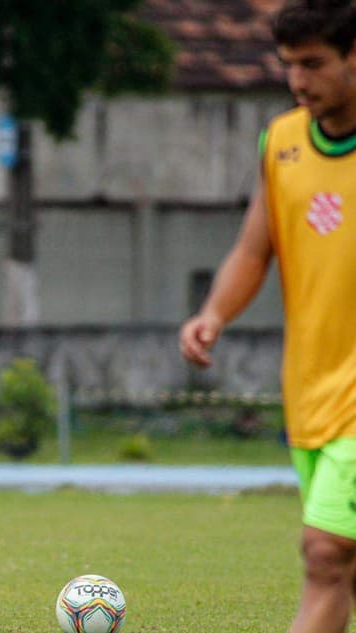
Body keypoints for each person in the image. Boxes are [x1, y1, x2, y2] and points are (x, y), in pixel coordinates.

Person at [179, 2, 356, 631]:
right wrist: (215, 314)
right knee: (343, 565)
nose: (299, 81)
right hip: (310, 389)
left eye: (314, 64)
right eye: (290, 66)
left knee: (326, 553)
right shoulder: (280, 141)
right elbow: (257, 247)